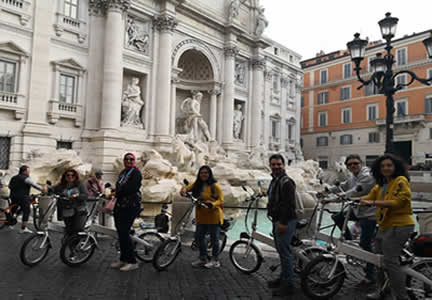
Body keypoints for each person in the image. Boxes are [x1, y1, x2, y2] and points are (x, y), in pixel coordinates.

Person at [359, 154, 414, 300]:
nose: (386, 168)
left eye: (389, 165)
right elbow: (368, 197)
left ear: (395, 167)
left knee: (390, 262)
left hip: (400, 225)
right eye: (383, 166)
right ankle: (383, 290)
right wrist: (344, 198)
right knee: (379, 261)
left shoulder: (401, 181)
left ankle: (401, 296)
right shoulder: (381, 186)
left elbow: (399, 201)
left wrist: (373, 203)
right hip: (384, 227)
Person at [325, 154, 377, 283]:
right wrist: (327, 191)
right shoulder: (353, 176)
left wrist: (332, 199)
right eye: (350, 164)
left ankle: (371, 274)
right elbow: (344, 185)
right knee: (337, 217)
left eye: (355, 163)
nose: (353, 166)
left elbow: (353, 192)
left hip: (369, 214)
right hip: (358, 210)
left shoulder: (367, 176)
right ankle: (349, 240)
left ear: (361, 164)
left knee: (365, 244)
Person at [180, 165, 224, 269]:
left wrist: (212, 204)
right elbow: (187, 188)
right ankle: (203, 258)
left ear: (210, 174)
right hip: (201, 216)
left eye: (206, 173)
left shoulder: (215, 186)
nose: (204, 174)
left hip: (213, 216)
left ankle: (215, 260)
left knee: (214, 239)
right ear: (199, 174)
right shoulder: (197, 184)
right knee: (199, 238)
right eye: (202, 173)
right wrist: (183, 190)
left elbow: (221, 200)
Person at [266, 154, 297, 296]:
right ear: (270, 165)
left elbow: (289, 205)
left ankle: (289, 285)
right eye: (273, 164)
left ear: (284, 165)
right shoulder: (275, 181)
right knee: (282, 252)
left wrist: (283, 223)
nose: (276, 167)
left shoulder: (287, 182)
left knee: (285, 254)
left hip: (285, 221)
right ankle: (283, 278)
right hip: (277, 219)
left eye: (278, 164)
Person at [110, 153, 142, 272]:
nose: (128, 161)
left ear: (134, 161)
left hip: (131, 206)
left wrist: (116, 193)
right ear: (123, 161)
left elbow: (132, 188)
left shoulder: (136, 173)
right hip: (120, 205)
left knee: (124, 232)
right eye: (126, 159)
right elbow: (120, 186)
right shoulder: (123, 172)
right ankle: (123, 259)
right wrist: (114, 190)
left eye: (131, 159)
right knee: (121, 233)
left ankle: (132, 261)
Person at [52, 169, 88, 240]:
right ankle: (69, 245)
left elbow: (85, 196)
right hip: (67, 210)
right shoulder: (61, 186)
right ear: (65, 176)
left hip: (79, 210)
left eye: (72, 175)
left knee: (77, 229)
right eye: (68, 175)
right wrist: (45, 188)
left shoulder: (80, 185)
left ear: (75, 176)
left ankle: (78, 244)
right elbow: (52, 189)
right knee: (69, 229)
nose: (70, 177)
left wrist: (76, 196)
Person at [8, 165, 45, 233]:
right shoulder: (25, 178)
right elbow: (34, 185)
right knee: (26, 211)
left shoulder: (14, 177)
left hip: (13, 196)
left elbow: (10, 186)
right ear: (24, 171)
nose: (29, 172)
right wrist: (43, 189)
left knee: (13, 209)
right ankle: (23, 228)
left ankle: (10, 223)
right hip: (23, 197)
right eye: (28, 171)